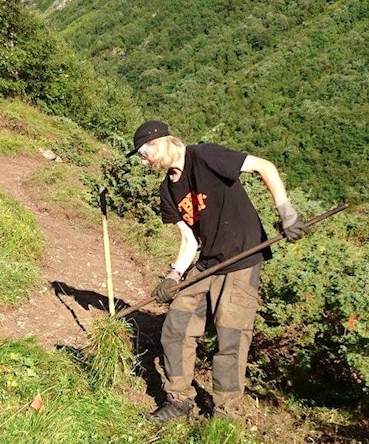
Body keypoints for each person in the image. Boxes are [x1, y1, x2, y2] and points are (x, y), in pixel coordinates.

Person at [126, 120, 307, 422]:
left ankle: (225, 413)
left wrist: (286, 211)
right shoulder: (167, 190)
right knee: (177, 325)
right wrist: (174, 274)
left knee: (230, 337)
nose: (146, 160)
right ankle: (179, 401)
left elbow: (264, 166)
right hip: (208, 261)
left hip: (243, 259)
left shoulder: (205, 156)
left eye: (145, 152)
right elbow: (189, 240)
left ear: (161, 141)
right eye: (142, 156)